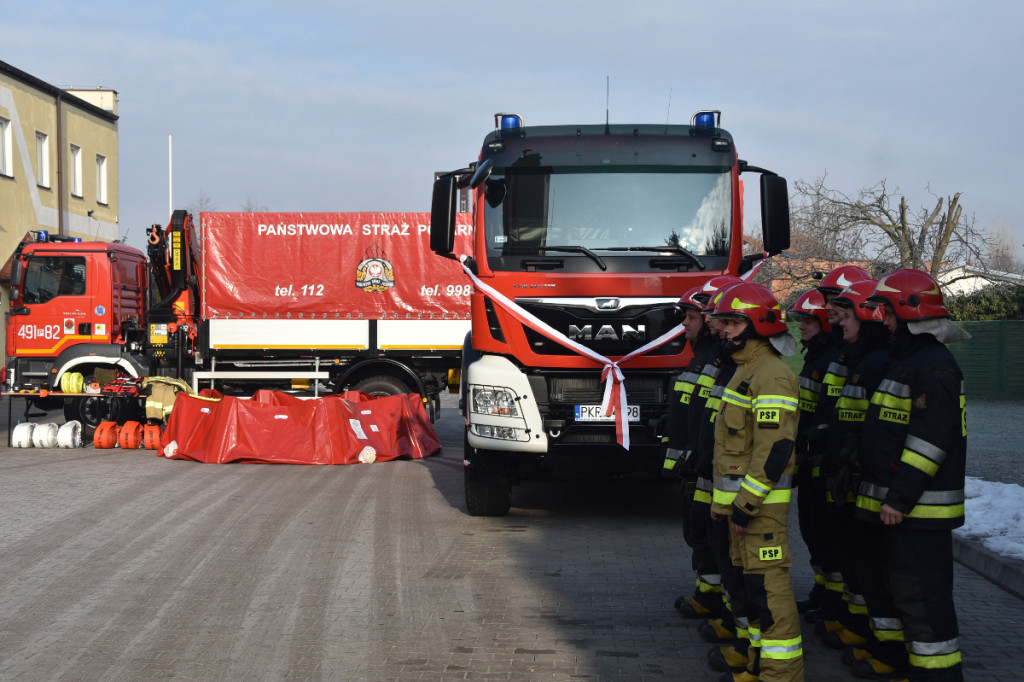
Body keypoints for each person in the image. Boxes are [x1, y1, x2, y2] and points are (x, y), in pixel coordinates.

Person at [851, 269, 969, 682]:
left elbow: (930, 441)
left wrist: (899, 498)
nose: (881, 320)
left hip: (919, 513)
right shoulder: (910, 362)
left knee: (924, 605)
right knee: (901, 595)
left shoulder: (932, 368)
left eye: (886, 311)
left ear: (906, 311)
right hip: (903, 509)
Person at [708, 282, 803, 682]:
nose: (725, 330)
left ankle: (781, 676)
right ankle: (757, 665)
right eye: (724, 322)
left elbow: (774, 450)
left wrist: (746, 504)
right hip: (740, 512)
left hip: (758, 512)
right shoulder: (746, 371)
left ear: (758, 324)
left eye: (732, 322)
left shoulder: (772, 376)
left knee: (770, 592)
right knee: (750, 593)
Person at [817, 280, 891, 659]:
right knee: (851, 557)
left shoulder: (876, 363)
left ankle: (875, 638)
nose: (838, 323)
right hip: (847, 478)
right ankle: (860, 627)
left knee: (866, 562)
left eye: (845, 316)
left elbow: (876, 429)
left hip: (863, 482)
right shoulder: (860, 358)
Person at [664, 285, 722, 619]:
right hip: (693, 463)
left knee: (706, 533)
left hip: (701, 464)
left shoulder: (714, 359)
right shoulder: (701, 357)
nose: (684, 324)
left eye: (691, 318)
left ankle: (712, 598)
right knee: (698, 530)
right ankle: (707, 593)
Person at [787, 288, 841, 616]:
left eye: (808, 320)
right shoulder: (816, 356)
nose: (802, 327)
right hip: (809, 458)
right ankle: (823, 591)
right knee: (811, 529)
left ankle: (835, 600)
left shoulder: (833, 358)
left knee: (827, 534)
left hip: (823, 460)